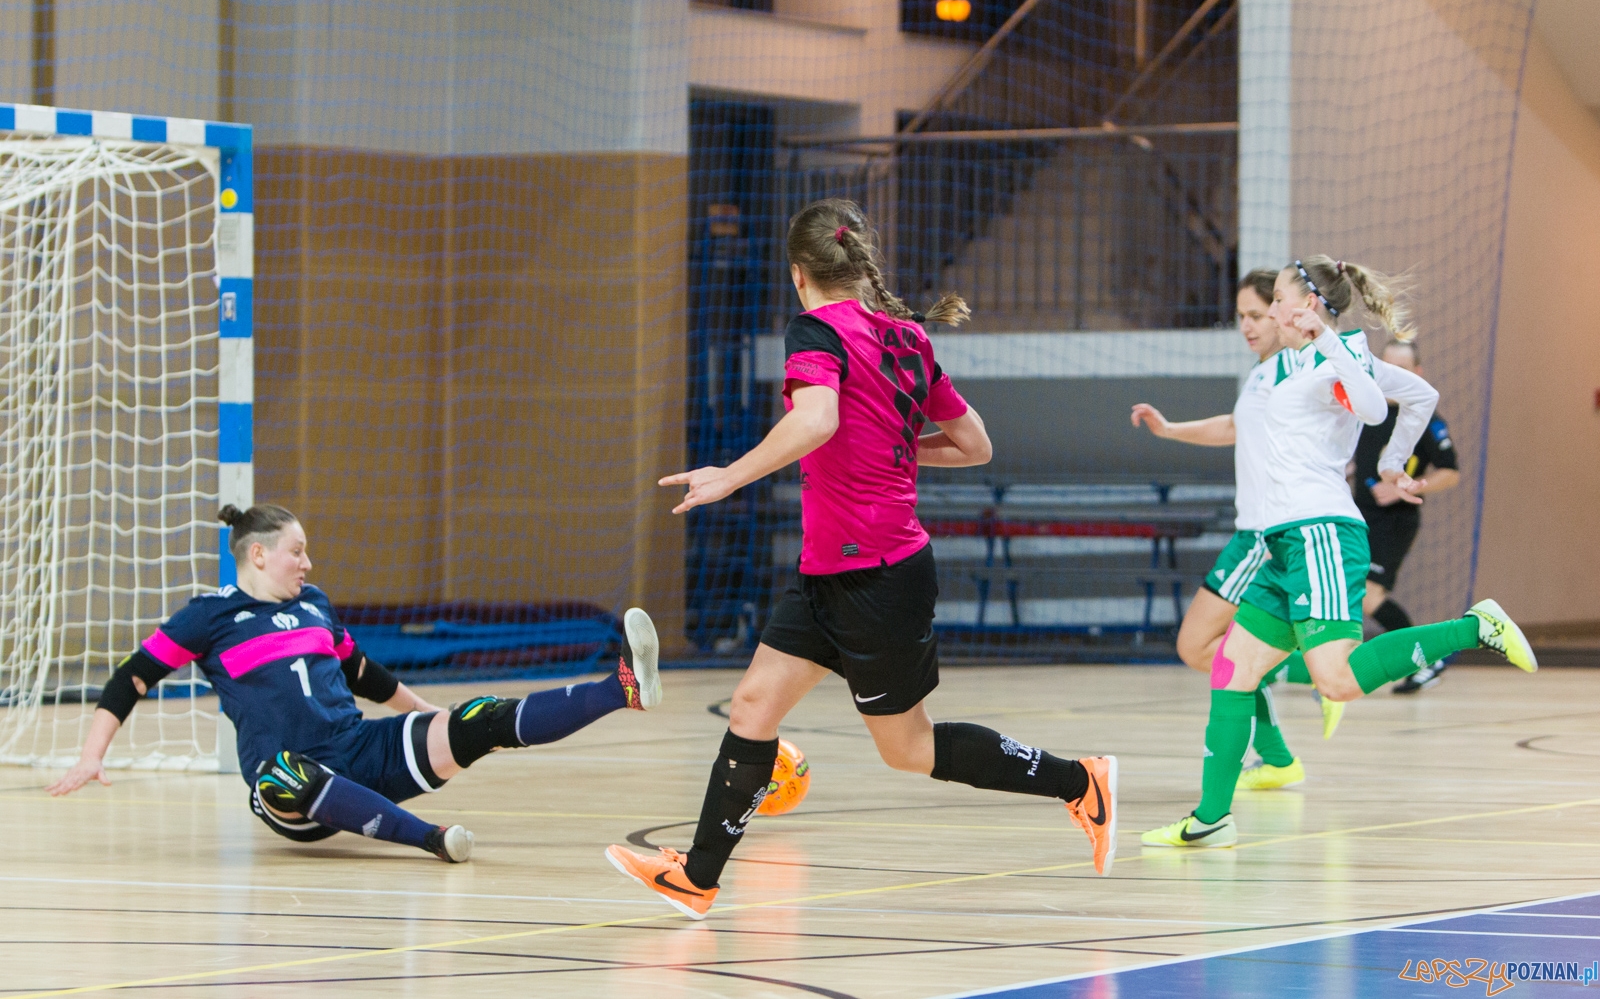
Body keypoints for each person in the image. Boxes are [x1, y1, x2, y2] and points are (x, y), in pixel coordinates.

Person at [604, 198, 1117, 920]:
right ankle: (698, 875)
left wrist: (728, 475)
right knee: (753, 704)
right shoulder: (905, 336)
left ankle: (1079, 780)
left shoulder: (815, 329)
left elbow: (817, 419)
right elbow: (975, 445)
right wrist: (895, 453)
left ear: (798, 275)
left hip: (879, 573)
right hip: (830, 572)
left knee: (908, 748)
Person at [1141, 256, 1535, 849]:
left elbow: (1380, 407)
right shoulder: (1284, 365)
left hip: (1320, 533)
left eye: (1276, 300)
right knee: (1232, 667)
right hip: (1280, 541)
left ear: (1308, 306)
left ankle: (1474, 627)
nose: (1270, 312)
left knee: (1340, 683)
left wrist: (1384, 449)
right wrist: (1386, 460)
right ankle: (1211, 818)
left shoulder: (1339, 354)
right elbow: (1422, 395)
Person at [47, 503, 663, 863]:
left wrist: (429, 716)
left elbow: (364, 674)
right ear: (258, 554)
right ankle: (431, 840)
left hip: (357, 750)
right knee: (283, 772)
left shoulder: (315, 604)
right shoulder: (209, 615)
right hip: (287, 783)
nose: (307, 564)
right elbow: (133, 677)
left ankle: (621, 687)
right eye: (297, 551)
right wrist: (91, 755)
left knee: (478, 718)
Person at [1131, 269, 1339, 798]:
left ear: (1281, 311)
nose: (1249, 324)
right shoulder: (1264, 374)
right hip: (1253, 533)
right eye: (1241, 316)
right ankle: (1279, 752)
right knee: (1221, 653)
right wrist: (1171, 429)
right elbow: (1235, 426)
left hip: (1264, 536)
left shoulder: (1295, 371)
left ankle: (1317, 678)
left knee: (1199, 645)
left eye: (1257, 313)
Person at [1352, 339, 1461, 693]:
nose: (1392, 377)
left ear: (1417, 374)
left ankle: (1428, 659)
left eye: (1401, 370)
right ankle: (1330, 670)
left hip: (1395, 522)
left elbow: (1451, 471)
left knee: (1368, 595)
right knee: (1342, 593)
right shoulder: (1365, 412)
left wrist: (1412, 487)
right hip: (1356, 517)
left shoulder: (1425, 418)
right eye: (1387, 369)